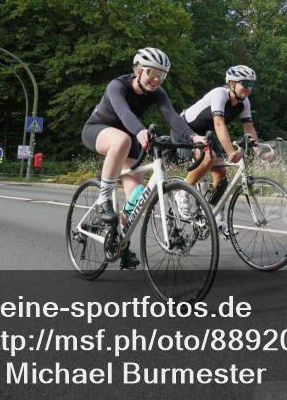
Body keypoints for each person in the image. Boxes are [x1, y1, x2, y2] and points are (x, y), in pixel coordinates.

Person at [81, 47, 206, 269]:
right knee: (122, 140)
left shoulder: (158, 92)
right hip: (98, 129)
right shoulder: (117, 86)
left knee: (136, 200)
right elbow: (124, 114)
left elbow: (172, 116)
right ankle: (103, 199)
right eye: (152, 72)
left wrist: (193, 136)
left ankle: (121, 243)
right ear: (138, 70)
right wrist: (139, 131)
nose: (156, 79)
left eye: (162, 75)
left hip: (129, 137)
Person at [172, 65, 274, 235]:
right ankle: (182, 194)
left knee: (221, 175)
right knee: (208, 157)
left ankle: (215, 216)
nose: (249, 88)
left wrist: (259, 151)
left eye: (252, 85)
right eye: (245, 84)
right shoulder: (220, 93)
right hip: (185, 129)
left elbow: (249, 129)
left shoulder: (244, 102)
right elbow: (219, 123)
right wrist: (230, 152)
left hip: (207, 134)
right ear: (232, 83)